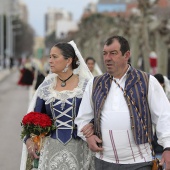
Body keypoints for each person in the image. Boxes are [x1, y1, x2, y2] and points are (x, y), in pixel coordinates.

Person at [75, 35, 170, 170]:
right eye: (105, 53)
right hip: (103, 161)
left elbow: (164, 116)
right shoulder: (94, 84)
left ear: (127, 55)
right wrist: (88, 137)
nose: (107, 58)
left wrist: (167, 147)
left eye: (113, 53)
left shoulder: (147, 81)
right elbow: (82, 118)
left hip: (140, 162)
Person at [20, 41, 94, 170]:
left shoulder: (86, 86)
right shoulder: (46, 88)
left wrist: (92, 125)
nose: (50, 61)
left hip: (79, 150)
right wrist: (29, 140)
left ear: (68, 60)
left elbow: (95, 116)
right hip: (50, 150)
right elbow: (34, 118)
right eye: (50, 57)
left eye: (55, 57)